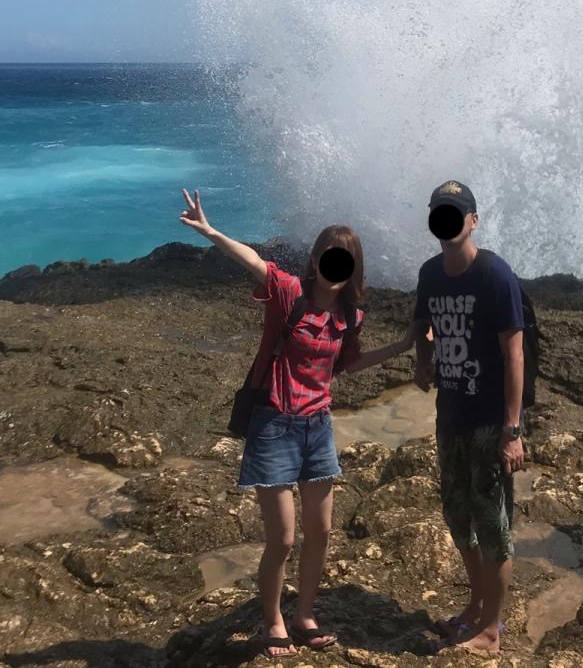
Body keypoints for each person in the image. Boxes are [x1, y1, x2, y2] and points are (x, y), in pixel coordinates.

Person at [179, 189, 415, 658]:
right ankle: (272, 620)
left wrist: (403, 346)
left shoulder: (350, 316)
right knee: (282, 538)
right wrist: (211, 231)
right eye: (329, 255)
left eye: (344, 259)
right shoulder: (289, 293)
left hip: (317, 428)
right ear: (315, 258)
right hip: (274, 426)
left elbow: (348, 365)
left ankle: (304, 615)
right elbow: (254, 262)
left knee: (321, 532)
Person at [412, 180, 524, 659]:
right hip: (451, 417)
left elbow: (514, 354)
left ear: (473, 220)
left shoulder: (494, 274)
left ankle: (492, 629)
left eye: (456, 212)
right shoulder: (429, 274)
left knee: (493, 524)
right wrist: (423, 361)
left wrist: (512, 431)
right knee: (459, 518)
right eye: (439, 211)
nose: (448, 219)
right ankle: (477, 607)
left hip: (489, 422)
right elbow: (422, 324)